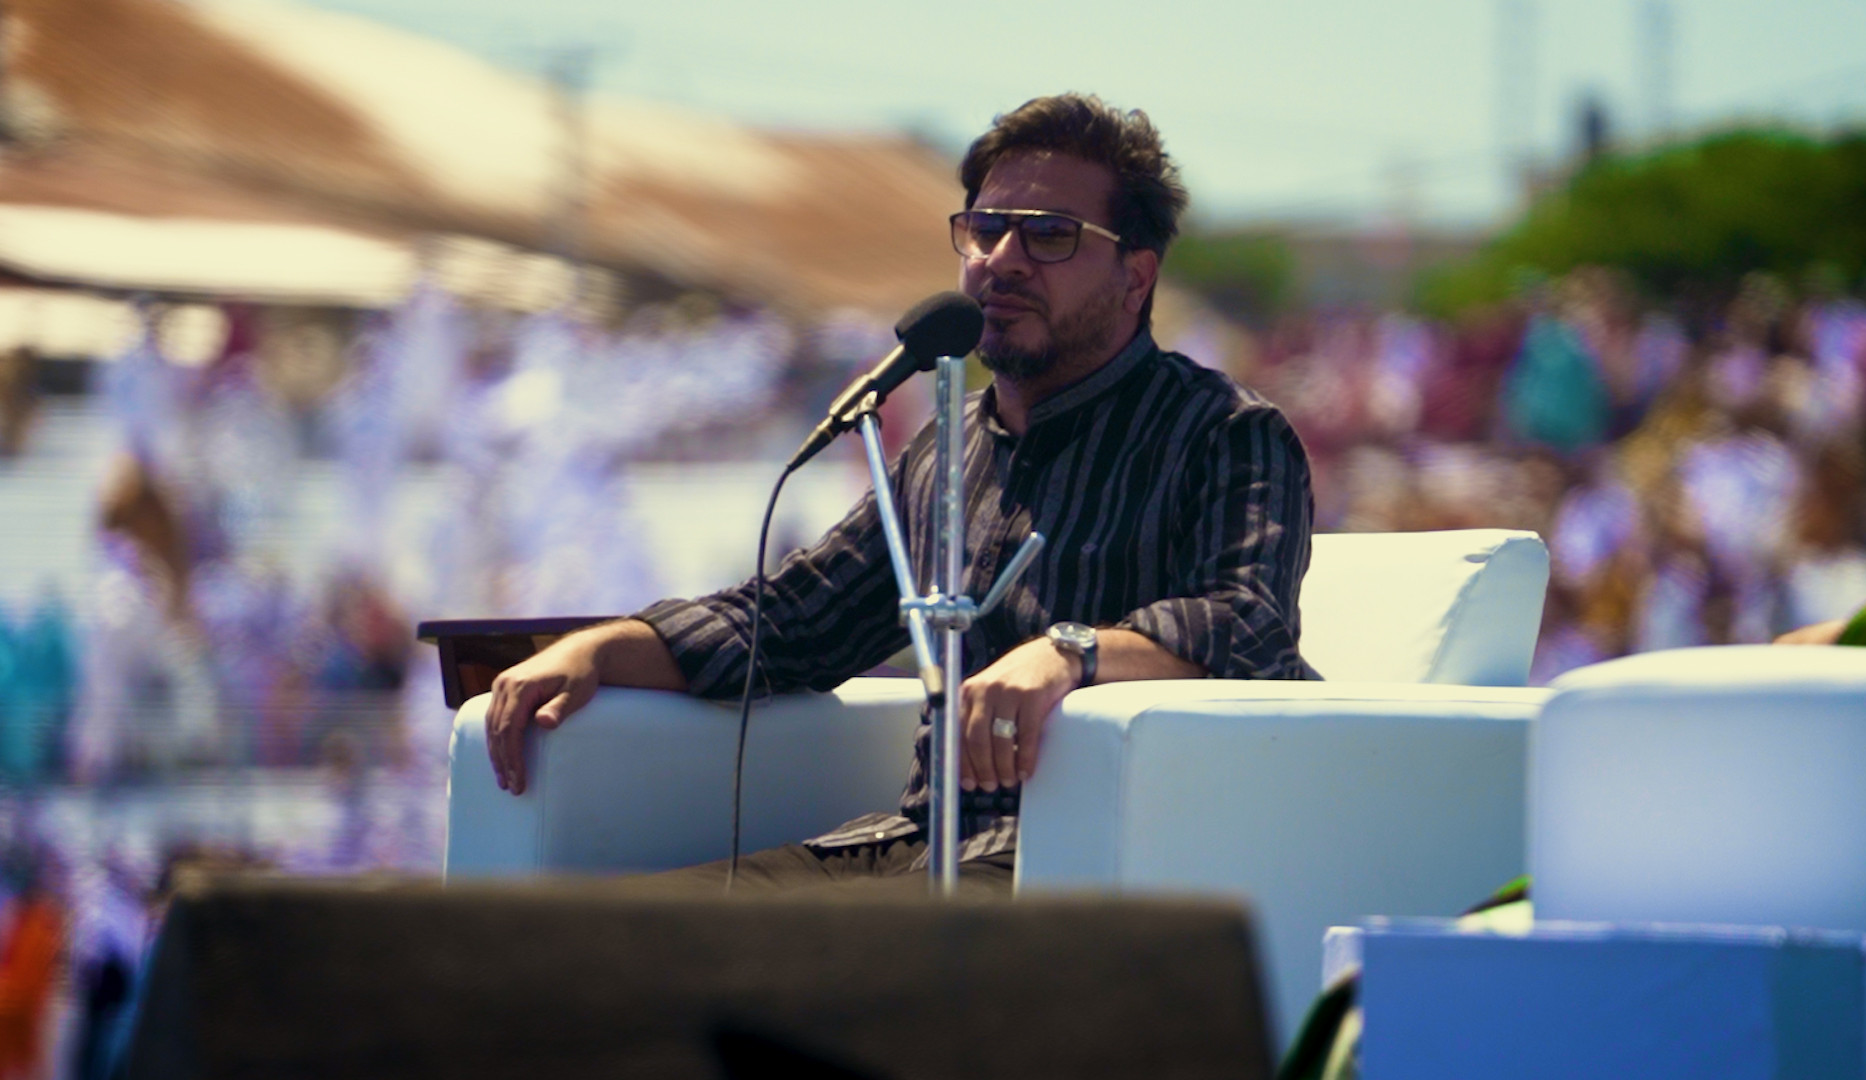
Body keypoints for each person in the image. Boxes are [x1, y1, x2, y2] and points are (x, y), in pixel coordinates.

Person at [483, 92, 1318, 895]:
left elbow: (1250, 624)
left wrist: (1068, 654)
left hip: (1088, 860)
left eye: (1049, 236)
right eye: (984, 229)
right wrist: (598, 650)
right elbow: (797, 622)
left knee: (761, 952)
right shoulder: (946, 451)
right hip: (917, 842)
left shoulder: (1223, 431)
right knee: (604, 932)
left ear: (1136, 277)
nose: (1002, 259)